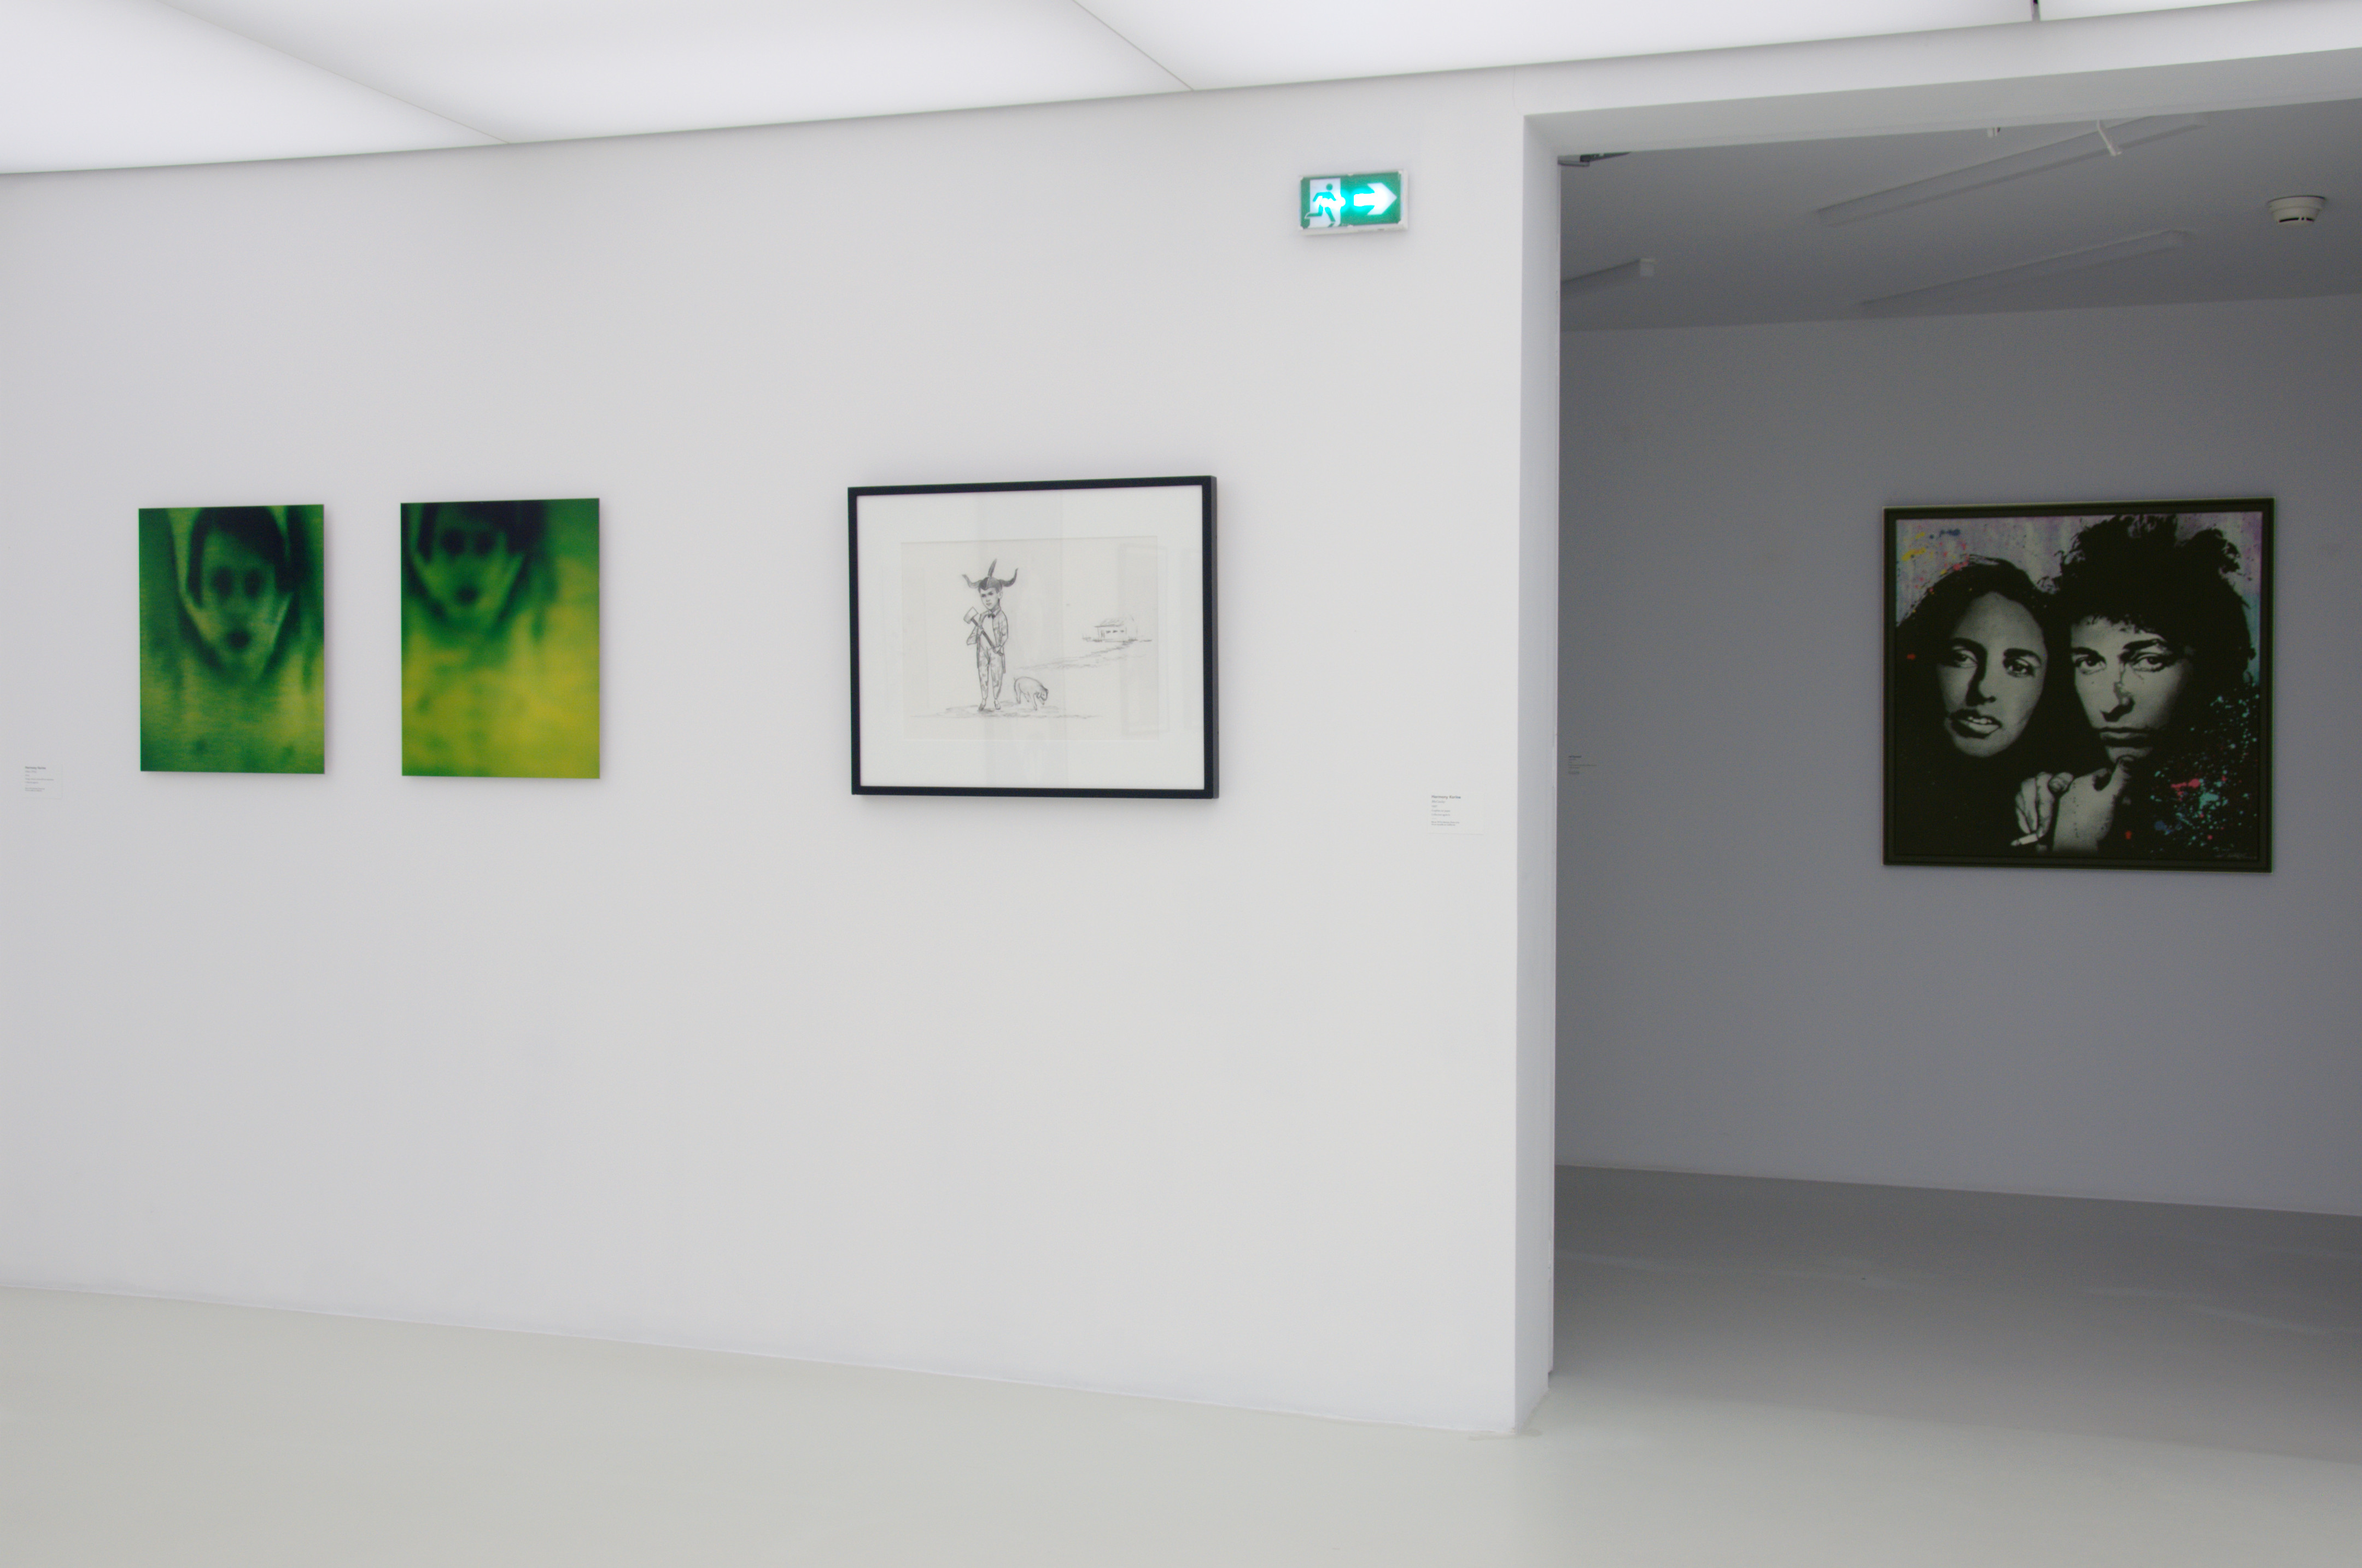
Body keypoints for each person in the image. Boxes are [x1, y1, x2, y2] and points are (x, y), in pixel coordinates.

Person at [2012, 514, 2262, 861]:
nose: (2113, 703)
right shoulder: (2067, 787)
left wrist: (2074, 846)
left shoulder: (2256, 811)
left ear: (2210, 665)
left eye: (2149, 660)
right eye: (2089, 662)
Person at [1890, 559, 2076, 858]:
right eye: (1962, 658)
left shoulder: (2069, 805)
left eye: (2018, 667)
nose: (1984, 690)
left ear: (2049, 684)